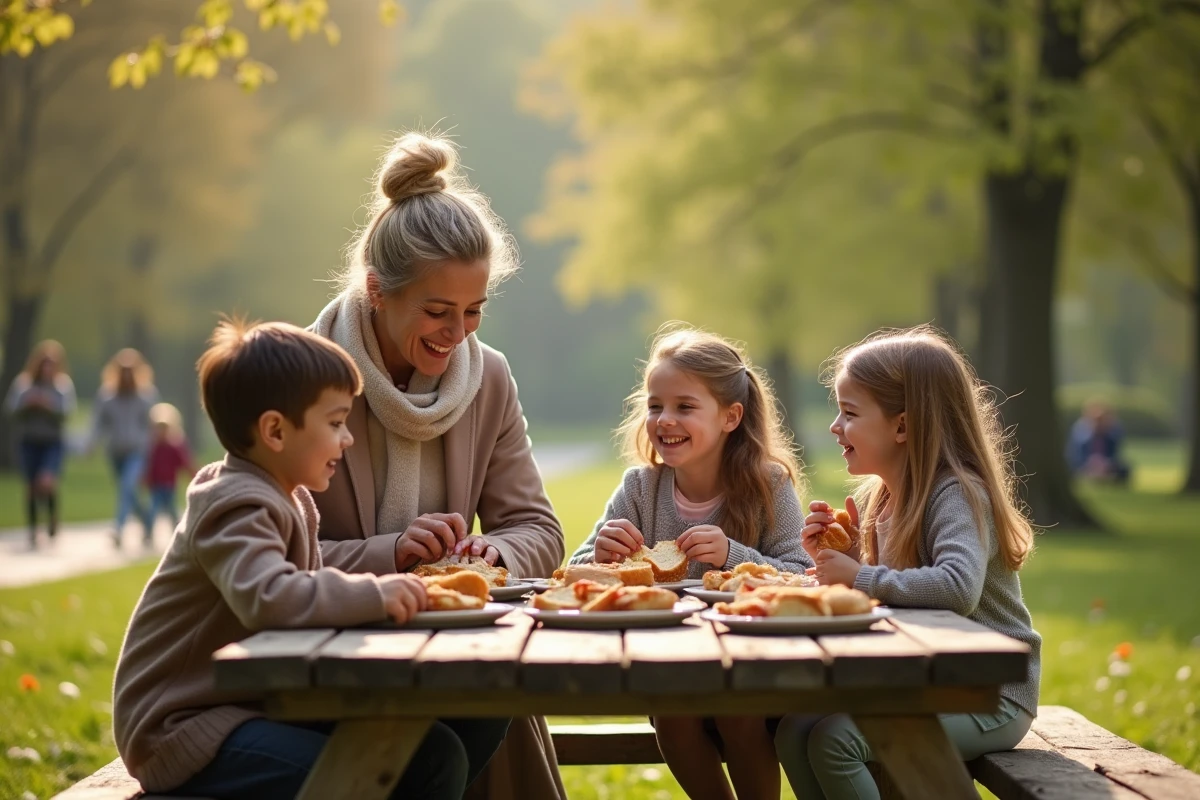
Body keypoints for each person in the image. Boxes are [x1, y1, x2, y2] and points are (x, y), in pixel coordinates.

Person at [112, 318, 471, 798]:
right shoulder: (235, 503)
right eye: (337, 422)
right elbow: (271, 596)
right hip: (184, 727)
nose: (346, 439)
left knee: (434, 751)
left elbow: (310, 579)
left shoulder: (289, 498)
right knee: (370, 774)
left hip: (251, 707)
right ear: (276, 431)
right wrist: (377, 594)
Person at [309, 131, 566, 799]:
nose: (457, 336)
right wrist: (389, 554)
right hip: (330, 659)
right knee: (436, 752)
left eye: (473, 312)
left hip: (456, 651)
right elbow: (264, 553)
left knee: (476, 722)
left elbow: (538, 528)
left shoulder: (490, 381)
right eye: (437, 312)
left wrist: (492, 553)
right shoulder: (301, 376)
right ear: (377, 292)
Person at [776, 325, 1042, 799]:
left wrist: (861, 576)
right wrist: (846, 562)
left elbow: (957, 588)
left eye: (850, 412)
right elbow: (898, 593)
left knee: (837, 740)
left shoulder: (957, 493)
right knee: (795, 730)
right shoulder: (886, 500)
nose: (835, 426)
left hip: (991, 695)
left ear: (903, 425)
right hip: (925, 684)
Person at [569, 324, 810, 800]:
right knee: (670, 716)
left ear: (730, 417)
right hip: (671, 661)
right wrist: (599, 554)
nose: (664, 420)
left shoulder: (769, 486)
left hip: (753, 661)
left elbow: (803, 574)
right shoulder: (640, 488)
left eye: (684, 406)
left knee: (737, 710)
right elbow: (573, 570)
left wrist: (735, 556)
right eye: (655, 406)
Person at [4, 340, 76, 548]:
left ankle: (52, 517)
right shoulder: (24, 384)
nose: (47, 369)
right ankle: (33, 529)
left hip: (52, 442)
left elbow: (66, 413)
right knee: (31, 487)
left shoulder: (62, 386)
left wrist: (48, 406)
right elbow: (12, 411)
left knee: (46, 482)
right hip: (29, 441)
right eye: (44, 364)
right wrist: (29, 404)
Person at [92, 348, 158, 548]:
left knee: (127, 487)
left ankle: (118, 529)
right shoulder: (107, 396)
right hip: (114, 452)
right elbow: (98, 423)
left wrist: (153, 447)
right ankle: (148, 521)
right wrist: (91, 444)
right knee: (129, 492)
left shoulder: (146, 396)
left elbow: (153, 424)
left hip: (138, 451)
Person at [143, 402, 195, 544]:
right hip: (156, 486)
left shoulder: (174, 447)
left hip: (169, 485)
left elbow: (184, 462)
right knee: (152, 510)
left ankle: (178, 533)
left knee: (172, 511)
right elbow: (150, 466)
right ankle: (148, 534)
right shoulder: (153, 448)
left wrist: (192, 472)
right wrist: (146, 479)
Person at [1066, 399, 1131, 484]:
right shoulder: (1080, 433)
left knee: (1124, 469)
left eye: (1102, 420)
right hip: (1085, 466)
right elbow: (1076, 456)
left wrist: (1106, 465)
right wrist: (1091, 465)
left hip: (1106, 467)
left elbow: (1116, 455)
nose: (1099, 423)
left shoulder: (1113, 434)